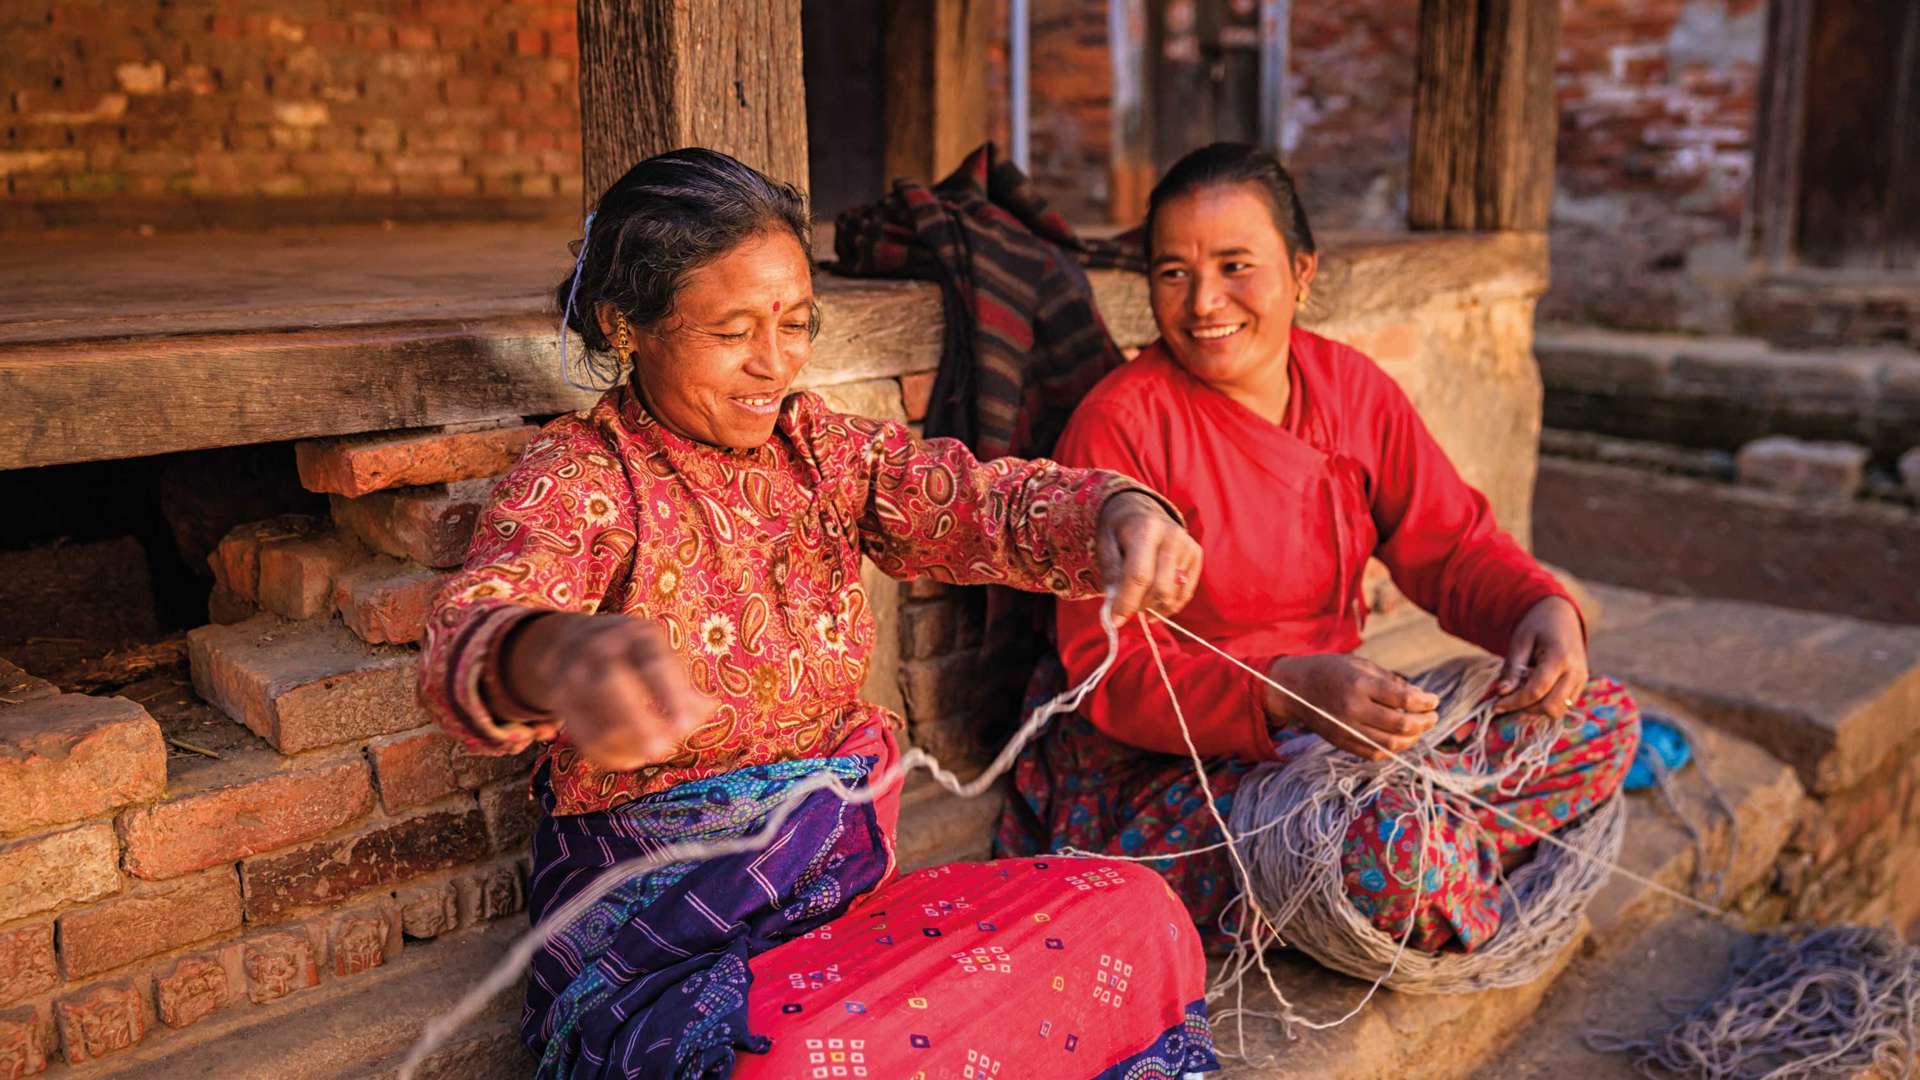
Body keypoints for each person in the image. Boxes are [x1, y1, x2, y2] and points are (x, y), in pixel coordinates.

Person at [417, 148, 1219, 1079]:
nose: (774, 363)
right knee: (800, 1060)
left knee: (1134, 912)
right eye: (731, 333)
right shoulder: (580, 481)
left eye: (796, 323)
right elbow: (474, 627)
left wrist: (1117, 512)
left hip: (843, 929)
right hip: (667, 970)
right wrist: (555, 655)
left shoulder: (821, 451)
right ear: (623, 325)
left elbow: (976, 503)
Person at [996, 143, 1642, 955]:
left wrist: (1538, 607)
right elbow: (1110, 673)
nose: (1203, 302)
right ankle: (1435, 866)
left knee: (1601, 716)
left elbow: (1450, 545)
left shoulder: (1353, 390)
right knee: (1389, 852)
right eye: (1172, 273)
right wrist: (1284, 692)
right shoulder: (1121, 424)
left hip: (1340, 736)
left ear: (1302, 272)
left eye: (1236, 265)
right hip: (1177, 768)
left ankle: (1431, 862)